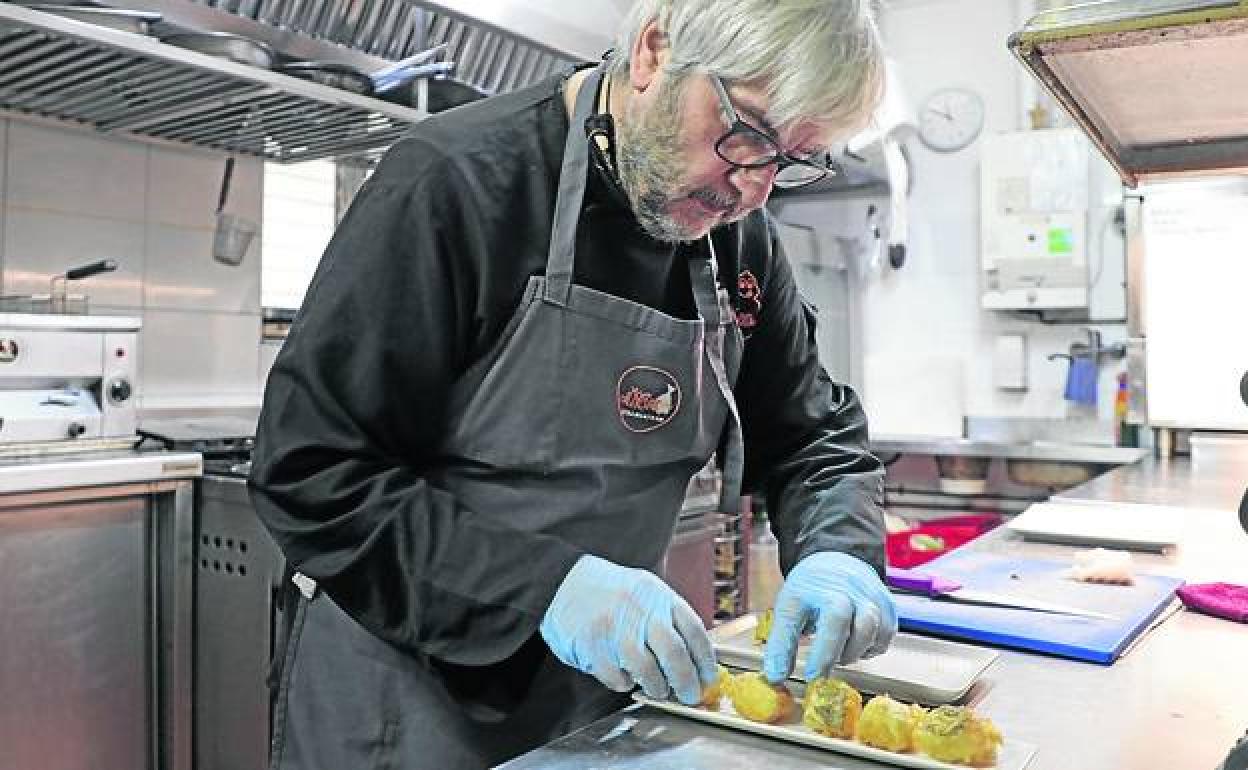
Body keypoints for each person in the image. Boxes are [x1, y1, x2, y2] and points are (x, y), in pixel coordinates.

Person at [249, 1, 898, 767]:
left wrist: (839, 553)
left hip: (605, 698)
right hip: (406, 697)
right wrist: (546, 588)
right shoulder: (457, 182)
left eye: (792, 159)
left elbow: (809, 436)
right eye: (749, 133)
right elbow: (311, 471)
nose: (753, 188)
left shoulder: (738, 237)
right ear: (655, 52)